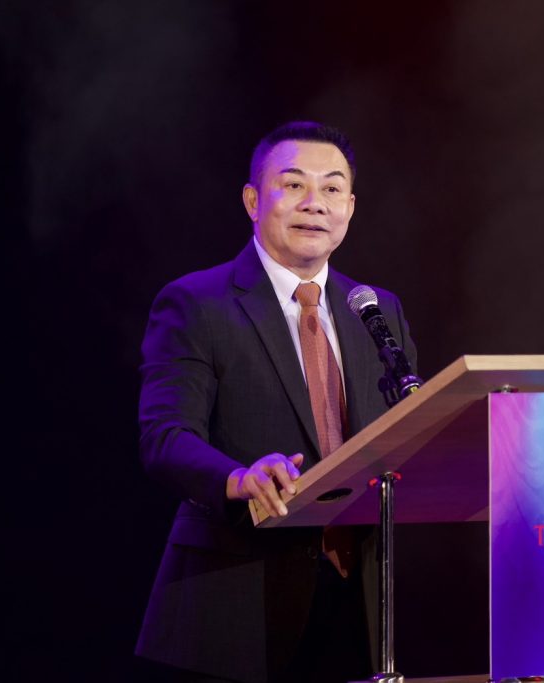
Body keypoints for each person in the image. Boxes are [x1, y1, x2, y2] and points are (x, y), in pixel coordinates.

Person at [135, 121, 417, 683]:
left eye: (332, 188)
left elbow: (405, 434)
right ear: (252, 200)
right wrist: (238, 478)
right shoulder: (197, 303)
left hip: (358, 606)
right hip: (236, 605)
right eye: (293, 185)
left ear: (350, 207)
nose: (315, 203)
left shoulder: (376, 309)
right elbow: (165, 438)